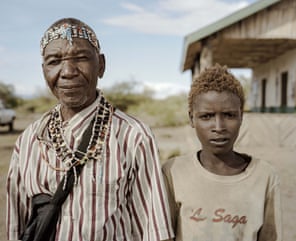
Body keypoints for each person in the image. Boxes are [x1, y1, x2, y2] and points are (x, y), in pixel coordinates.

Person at [6, 17, 174, 241]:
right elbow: (14, 227)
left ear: (101, 65)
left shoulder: (133, 136)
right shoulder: (29, 140)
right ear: (44, 70)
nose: (67, 71)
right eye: (54, 61)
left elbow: (155, 231)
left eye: (81, 58)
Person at [162, 64, 282, 241]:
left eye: (229, 115)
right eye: (206, 116)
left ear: (241, 116)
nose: (219, 127)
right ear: (191, 118)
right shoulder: (173, 172)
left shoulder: (264, 176)